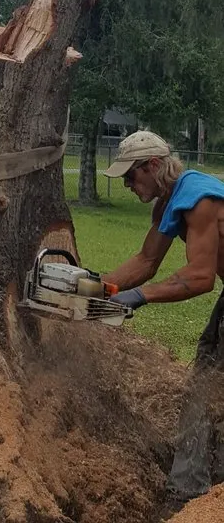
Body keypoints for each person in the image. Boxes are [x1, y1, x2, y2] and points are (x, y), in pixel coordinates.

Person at [103, 130, 224, 508]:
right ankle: (201, 483)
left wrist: (139, 297)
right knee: (207, 380)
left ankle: (188, 494)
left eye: (130, 176)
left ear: (153, 166)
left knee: (208, 387)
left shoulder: (200, 199)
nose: (126, 184)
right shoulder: (168, 203)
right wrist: (93, 288)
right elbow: (146, 262)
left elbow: (201, 277)